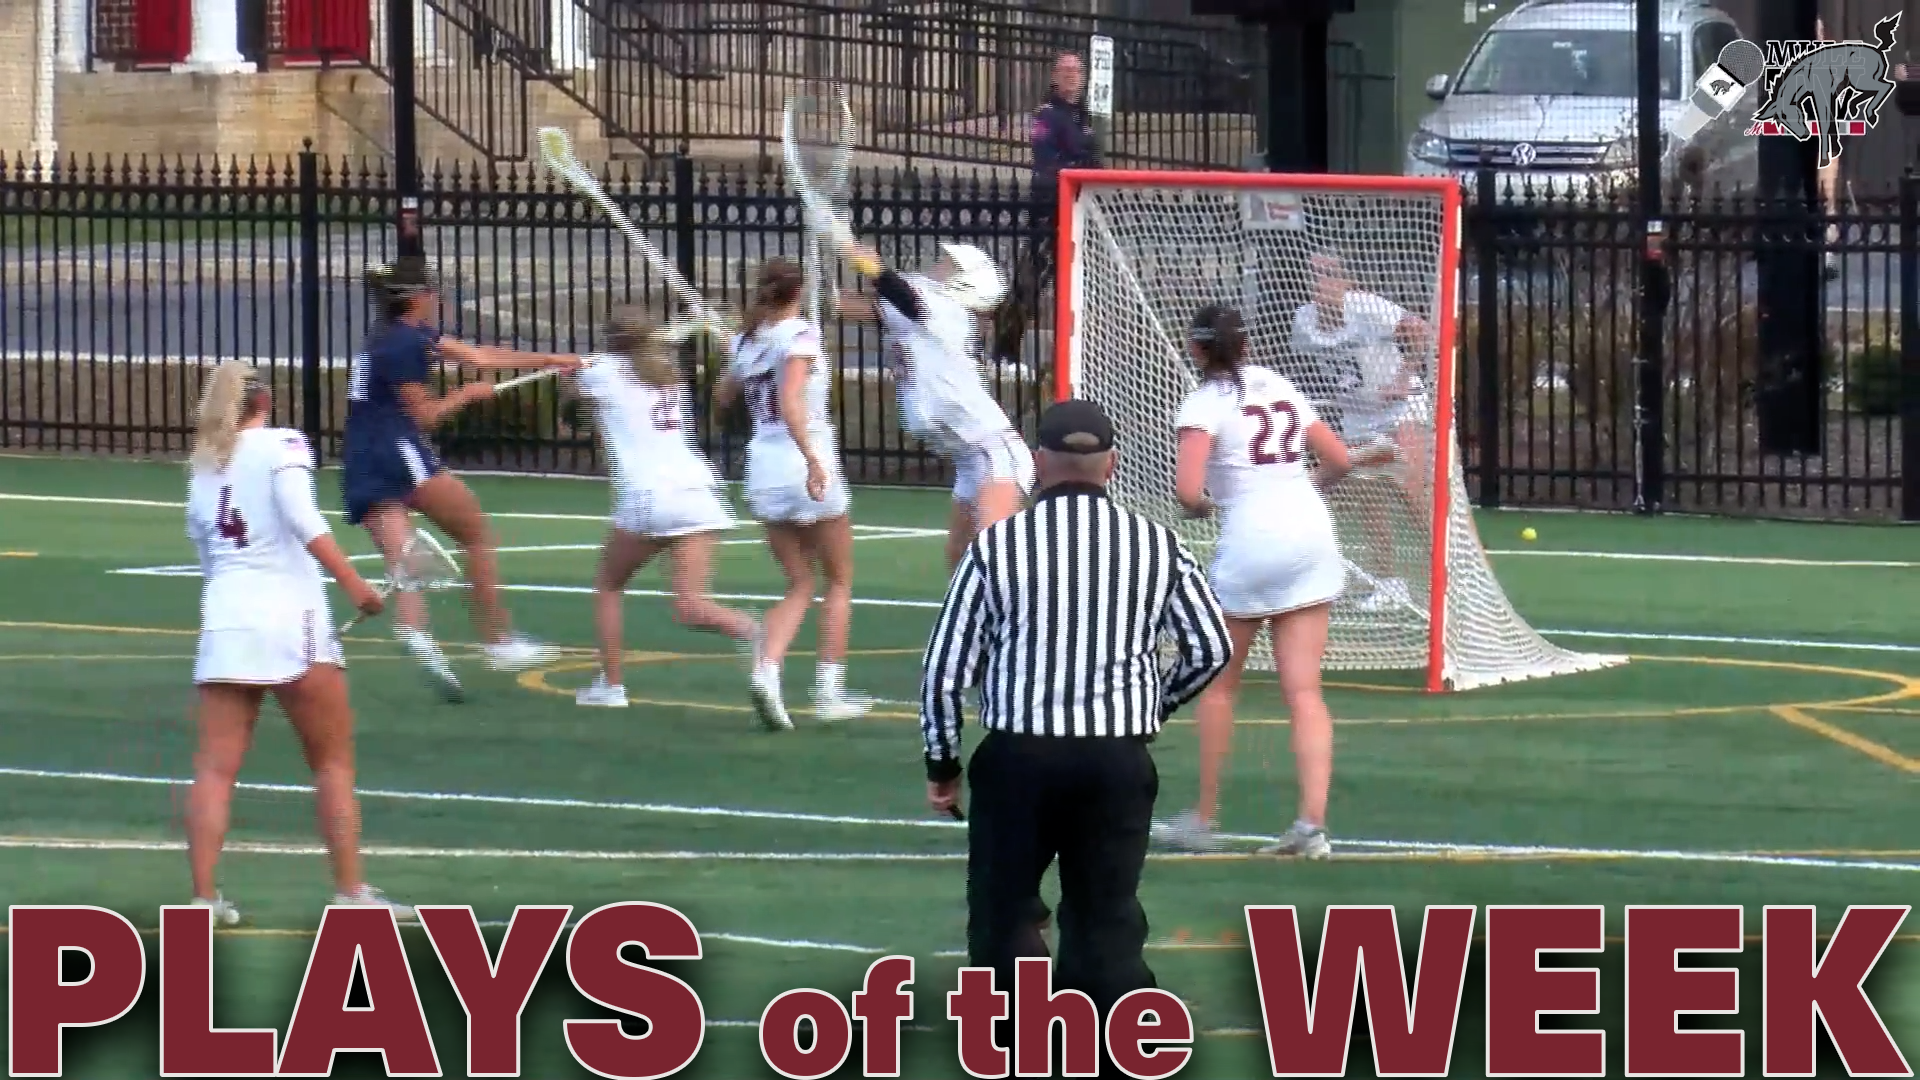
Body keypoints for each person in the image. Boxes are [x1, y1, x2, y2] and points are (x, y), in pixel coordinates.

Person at [920, 398, 1231, 1075]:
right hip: (1115, 757)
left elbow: (945, 669)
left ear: (1038, 464)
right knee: (1104, 910)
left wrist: (942, 762)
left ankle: (1019, 1045)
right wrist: (1149, 707)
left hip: (1019, 755)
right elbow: (1210, 648)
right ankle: (1117, 1049)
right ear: (1112, 465)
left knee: (1004, 910)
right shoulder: (1157, 545)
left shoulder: (997, 547)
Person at [184, 360, 414, 922]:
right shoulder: (283, 445)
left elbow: (206, 552)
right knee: (332, 763)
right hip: (292, 620)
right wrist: (355, 584)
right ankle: (351, 891)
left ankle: (204, 898)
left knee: (214, 769)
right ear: (264, 402)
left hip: (226, 621)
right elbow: (303, 517)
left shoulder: (204, 466)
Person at [1151, 305, 1353, 858]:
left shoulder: (1202, 404)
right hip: (1311, 531)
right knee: (1305, 692)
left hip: (1252, 541)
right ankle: (1311, 827)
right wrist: (1304, 485)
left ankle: (1203, 817)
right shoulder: (1278, 384)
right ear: (1246, 345)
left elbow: (1188, 491)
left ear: (1196, 349)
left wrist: (1203, 507)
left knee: (1220, 685)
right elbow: (1340, 460)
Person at [343, 256, 573, 700]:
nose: (437, 297)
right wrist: (467, 395)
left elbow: (478, 357)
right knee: (476, 534)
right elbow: (426, 416)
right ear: (416, 297)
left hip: (360, 459)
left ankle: (416, 634)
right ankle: (498, 641)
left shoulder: (394, 336)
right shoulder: (404, 345)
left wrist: (551, 360)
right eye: (431, 290)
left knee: (405, 563)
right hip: (397, 454)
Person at [566, 307, 769, 718]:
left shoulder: (601, 372)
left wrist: (569, 380)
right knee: (691, 605)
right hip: (698, 493)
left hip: (647, 495)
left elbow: (572, 416)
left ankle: (611, 685)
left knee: (608, 586)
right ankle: (754, 632)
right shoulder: (668, 375)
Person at [716, 258, 872, 726]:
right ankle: (829, 691)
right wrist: (813, 460)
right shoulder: (800, 335)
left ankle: (767, 671)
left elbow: (722, 398)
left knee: (799, 583)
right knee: (838, 580)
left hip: (763, 468)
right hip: (803, 461)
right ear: (798, 293)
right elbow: (789, 402)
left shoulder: (746, 340)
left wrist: (734, 355)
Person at [829, 235, 1035, 569]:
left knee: (994, 554)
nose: (938, 267)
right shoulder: (925, 314)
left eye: (949, 266)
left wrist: (863, 259)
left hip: (996, 453)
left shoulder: (947, 312)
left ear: (967, 281)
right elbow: (855, 306)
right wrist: (814, 295)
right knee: (959, 556)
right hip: (970, 458)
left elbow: (897, 291)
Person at [1289, 251, 1431, 614]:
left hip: (1401, 409)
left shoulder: (1368, 308)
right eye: (1313, 275)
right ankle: (1389, 583)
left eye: (1328, 275)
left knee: (1410, 490)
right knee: (1369, 501)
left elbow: (1419, 329)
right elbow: (1309, 366)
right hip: (1358, 417)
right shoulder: (1303, 320)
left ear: (1346, 282)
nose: (1319, 283)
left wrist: (1402, 378)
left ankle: (1450, 576)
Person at [993, 51, 1102, 366]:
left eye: (1076, 71)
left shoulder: (1084, 116)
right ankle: (1005, 351)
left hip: (1079, 208)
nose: (1071, 76)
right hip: (1049, 208)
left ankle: (1073, 359)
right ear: (1054, 77)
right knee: (1029, 281)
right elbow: (1046, 161)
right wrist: (1077, 169)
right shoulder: (1048, 115)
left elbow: (1094, 159)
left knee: (1076, 284)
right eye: (1065, 71)